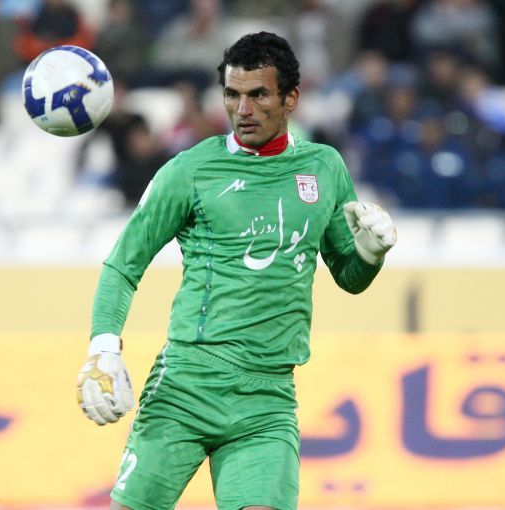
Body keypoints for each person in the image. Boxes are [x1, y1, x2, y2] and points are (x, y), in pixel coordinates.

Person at [76, 32, 397, 510]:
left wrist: (370, 255)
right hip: (185, 387)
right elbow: (124, 264)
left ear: (291, 98)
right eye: (232, 94)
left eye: (258, 95)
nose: (242, 109)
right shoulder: (190, 170)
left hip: (267, 399)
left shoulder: (324, 168)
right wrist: (103, 346)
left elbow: (349, 277)